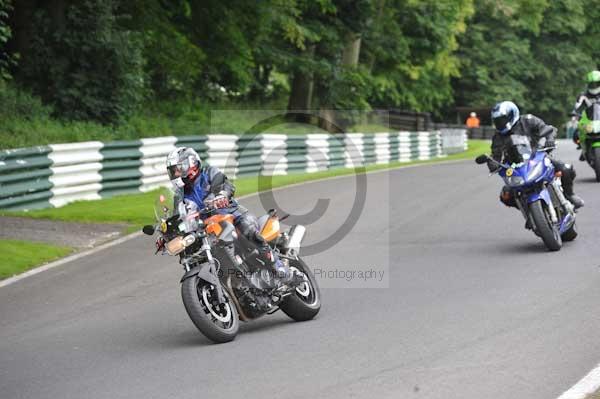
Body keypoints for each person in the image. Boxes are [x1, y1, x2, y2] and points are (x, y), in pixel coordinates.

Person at [165, 147, 301, 286]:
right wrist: (167, 231)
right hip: (206, 229)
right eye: (173, 171)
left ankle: (279, 268)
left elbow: (225, 185)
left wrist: (222, 195)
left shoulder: (209, 173)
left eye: (178, 168)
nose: (175, 174)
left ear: (191, 162)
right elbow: (178, 216)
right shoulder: (180, 195)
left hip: (232, 214)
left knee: (249, 231)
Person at [488, 101, 584, 210]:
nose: (500, 123)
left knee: (565, 169)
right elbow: (495, 154)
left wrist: (549, 140)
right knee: (506, 195)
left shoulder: (528, 120)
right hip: (515, 167)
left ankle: (570, 195)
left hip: (537, 156)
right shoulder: (498, 137)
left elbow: (547, 129)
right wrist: (492, 163)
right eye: (497, 121)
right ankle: (529, 211)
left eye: (502, 119)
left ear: (512, 115)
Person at [571, 70, 600, 159]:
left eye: (596, 84)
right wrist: (574, 114)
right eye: (592, 84)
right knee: (576, 134)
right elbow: (577, 107)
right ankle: (583, 147)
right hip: (588, 120)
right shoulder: (583, 95)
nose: (594, 86)